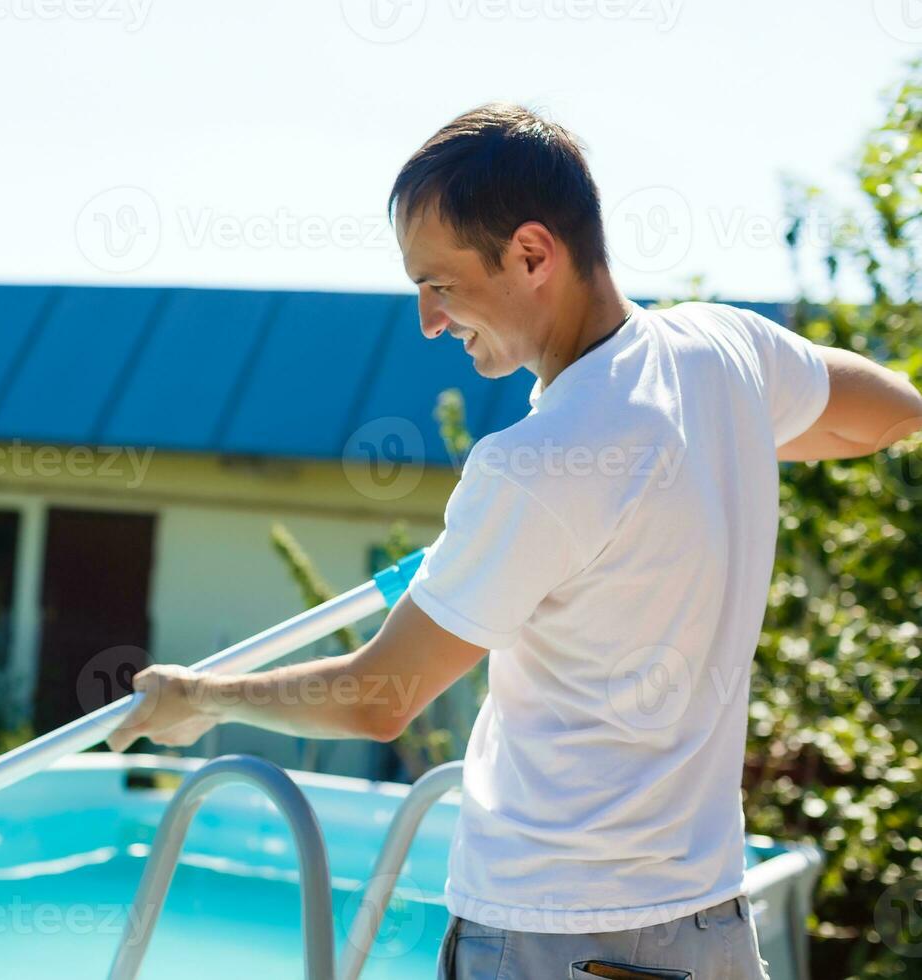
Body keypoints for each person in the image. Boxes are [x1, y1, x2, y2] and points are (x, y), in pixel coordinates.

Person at [105, 103, 922, 979]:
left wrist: (202, 695)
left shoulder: (535, 466)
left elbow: (378, 699)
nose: (426, 320)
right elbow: (889, 417)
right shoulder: (723, 351)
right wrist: (717, 442)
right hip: (711, 925)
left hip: (555, 935)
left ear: (533, 254)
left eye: (440, 285)